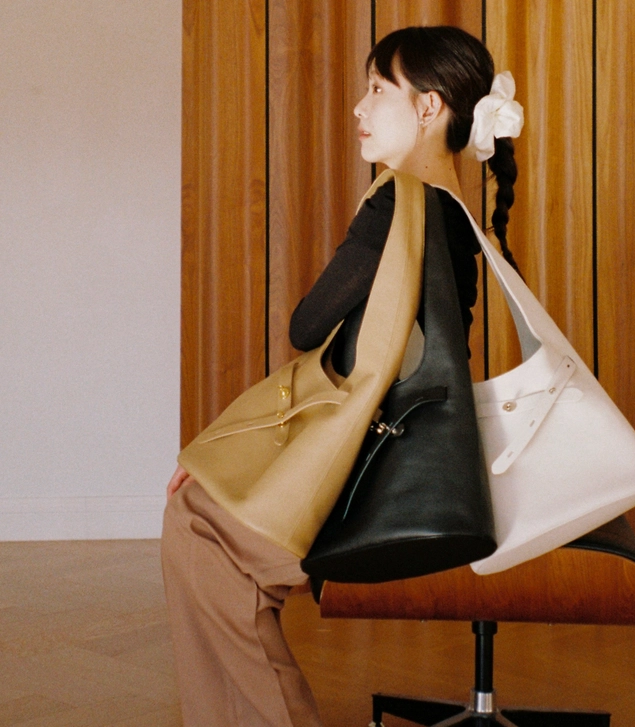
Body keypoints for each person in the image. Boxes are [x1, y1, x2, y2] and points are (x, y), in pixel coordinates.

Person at [161, 25, 523, 727]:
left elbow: (308, 332)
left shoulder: (397, 204)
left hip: (370, 479)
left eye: (378, 88)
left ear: (428, 107)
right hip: (408, 463)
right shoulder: (453, 214)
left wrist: (215, 457)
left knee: (198, 529)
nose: (360, 107)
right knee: (202, 523)